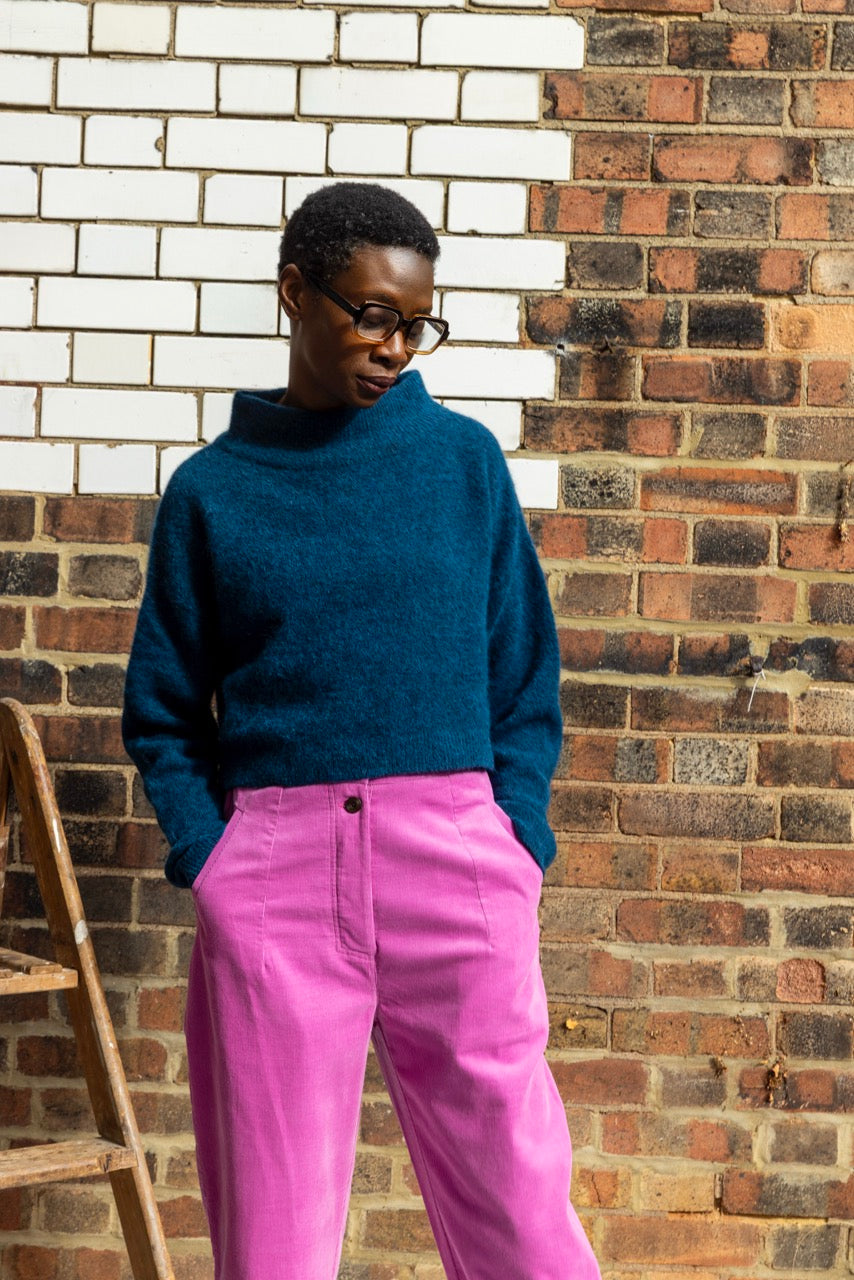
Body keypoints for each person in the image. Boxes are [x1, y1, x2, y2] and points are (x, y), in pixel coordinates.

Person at [122, 181, 601, 1280]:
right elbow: (162, 706)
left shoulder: (461, 465)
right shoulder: (211, 493)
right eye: (370, 313)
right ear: (296, 292)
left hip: (457, 857)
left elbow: (522, 674)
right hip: (275, 875)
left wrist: (513, 834)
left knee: (520, 1208)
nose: (395, 345)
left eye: (415, 321)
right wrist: (213, 857)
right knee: (273, 1233)